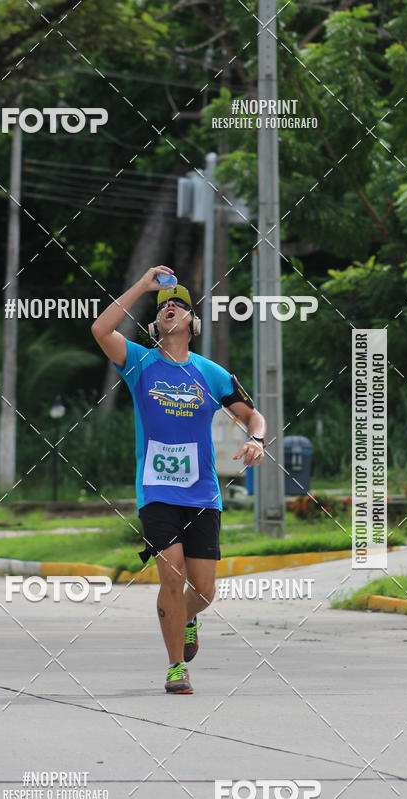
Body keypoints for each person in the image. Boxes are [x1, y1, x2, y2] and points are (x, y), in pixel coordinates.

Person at [91, 265, 266, 694]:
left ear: (193, 322)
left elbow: (253, 416)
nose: (169, 308)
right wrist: (143, 285)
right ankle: (176, 667)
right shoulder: (139, 362)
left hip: (202, 493)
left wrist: (257, 439)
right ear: (155, 324)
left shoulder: (212, 374)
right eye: (163, 306)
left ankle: (187, 618)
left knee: (203, 590)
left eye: (179, 305)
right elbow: (100, 329)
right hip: (156, 490)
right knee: (172, 573)